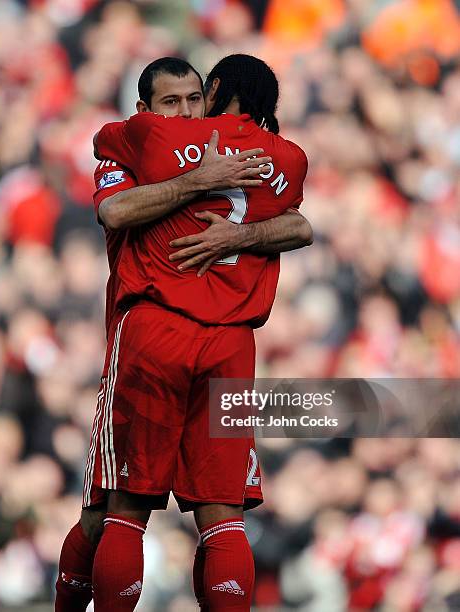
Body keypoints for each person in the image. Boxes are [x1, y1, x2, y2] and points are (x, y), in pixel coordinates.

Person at [55, 57, 312, 612]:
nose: (187, 111)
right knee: (217, 516)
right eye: (171, 103)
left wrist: (234, 231)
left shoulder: (149, 138)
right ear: (146, 105)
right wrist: (207, 183)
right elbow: (116, 209)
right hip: (230, 344)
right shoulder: (288, 159)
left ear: (213, 92)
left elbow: (300, 228)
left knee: (124, 509)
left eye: (195, 99)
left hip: (157, 330)